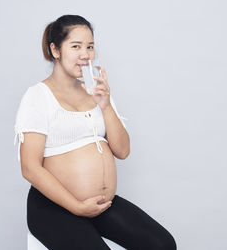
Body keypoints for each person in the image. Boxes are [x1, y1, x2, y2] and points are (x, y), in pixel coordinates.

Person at [13, 14, 177, 250]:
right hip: (53, 207)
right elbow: (30, 168)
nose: (85, 54)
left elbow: (122, 151)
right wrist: (77, 207)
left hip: (99, 205)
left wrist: (106, 104)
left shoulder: (97, 92)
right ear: (55, 50)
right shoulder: (38, 97)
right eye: (76, 46)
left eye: (90, 46)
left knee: (162, 244)